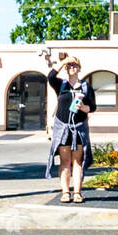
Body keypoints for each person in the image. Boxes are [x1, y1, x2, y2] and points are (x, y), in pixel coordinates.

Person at [43, 52, 95, 203]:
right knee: (65, 161)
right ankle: (65, 192)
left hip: (79, 128)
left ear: (79, 68)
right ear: (66, 68)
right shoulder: (61, 85)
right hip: (63, 128)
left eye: (75, 65)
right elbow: (50, 77)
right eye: (70, 65)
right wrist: (65, 60)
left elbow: (92, 107)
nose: (72, 67)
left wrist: (83, 107)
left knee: (77, 162)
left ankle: (77, 192)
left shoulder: (86, 87)